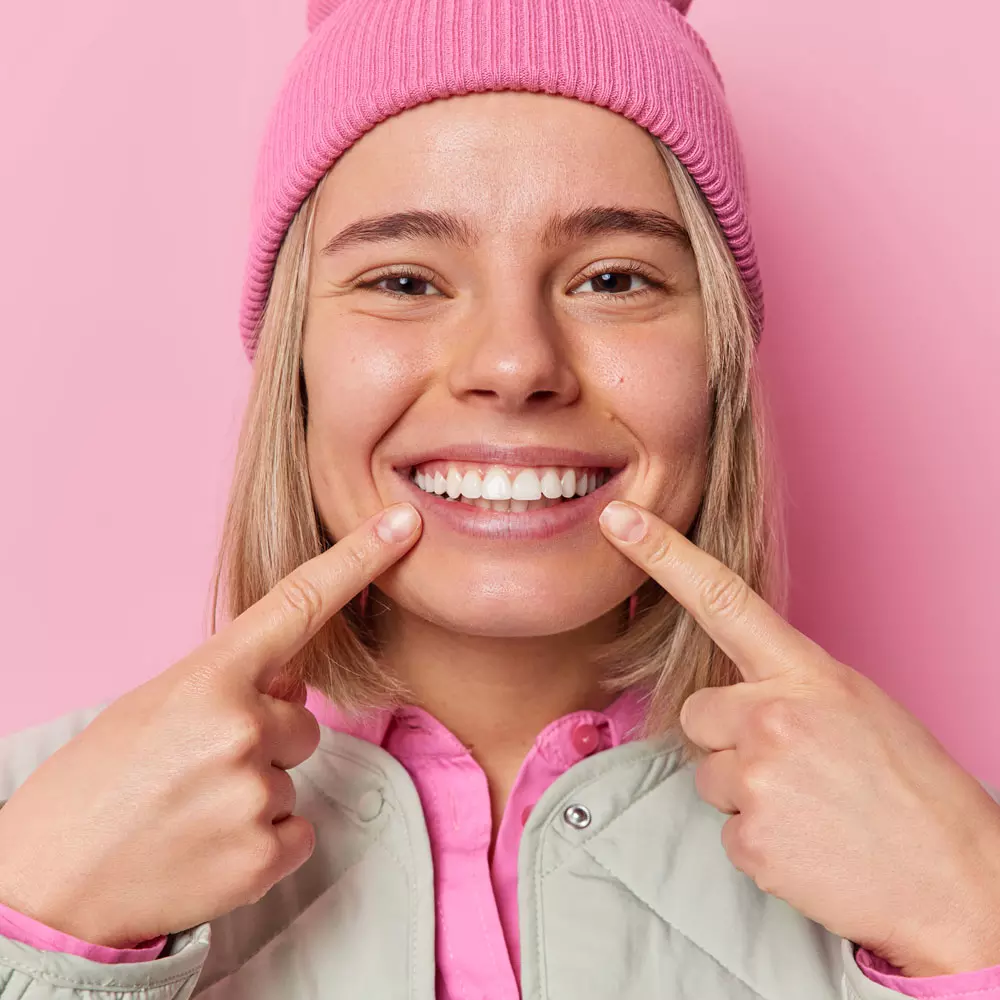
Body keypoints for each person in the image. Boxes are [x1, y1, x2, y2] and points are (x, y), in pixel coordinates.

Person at [1, 0, 999, 997]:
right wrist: (42, 936)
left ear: (719, 362)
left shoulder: (930, 853)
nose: (515, 364)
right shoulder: (32, 831)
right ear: (293, 365)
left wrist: (972, 927)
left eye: (613, 279)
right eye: (403, 280)